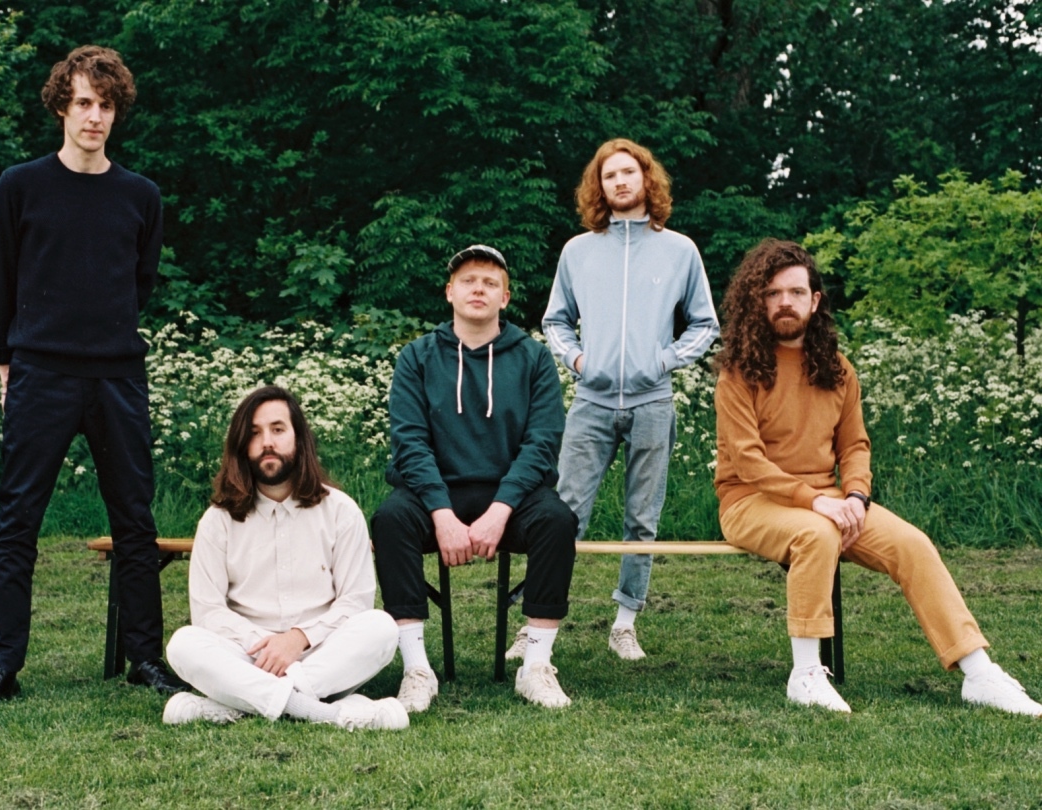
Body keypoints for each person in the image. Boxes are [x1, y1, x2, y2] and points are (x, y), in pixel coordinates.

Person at [713, 238, 1042, 716]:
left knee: (912, 544)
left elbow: (854, 447)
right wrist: (817, 502)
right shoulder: (738, 373)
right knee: (815, 534)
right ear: (757, 301)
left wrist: (856, 497)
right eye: (773, 293)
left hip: (829, 499)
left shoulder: (837, 369)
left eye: (796, 292)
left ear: (815, 300)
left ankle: (979, 673)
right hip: (750, 501)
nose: (785, 302)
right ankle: (806, 675)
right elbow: (748, 461)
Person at [0, 45, 186, 706]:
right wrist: (5, 359)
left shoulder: (140, 196)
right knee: (17, 523)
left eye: (106, 105)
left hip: (118, 376)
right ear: (62, 106)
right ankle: (1, 670)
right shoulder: (21, 186)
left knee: (135, 523)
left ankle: (144, 659)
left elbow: (139, 283)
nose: (95, 116)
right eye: (84, 102)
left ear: (117, 113)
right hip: (41, 371)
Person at [371, 244, 579, 712]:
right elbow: (410, 443)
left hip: (512, 495)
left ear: (505, 297)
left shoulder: (533, 358)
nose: (478, 289)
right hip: (436, 493)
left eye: (490, 282)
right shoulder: (417, 357)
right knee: (391, 519)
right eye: (468, 281)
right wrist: (441, 513)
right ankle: (417, 670)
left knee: (557, 521)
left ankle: (536, 666)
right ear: (450, 292)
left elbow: (542, 443)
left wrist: (500, 510)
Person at [539, 138, 718, 661]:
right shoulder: (578, 251)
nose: (619, 181)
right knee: (564, 513)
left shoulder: (679, 250)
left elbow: (705, 323)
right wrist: (578, 361)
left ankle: (624, 622)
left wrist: (663, 360)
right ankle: (537, 623)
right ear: (598, 187)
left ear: (647, 179)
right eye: (609, 175)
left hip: (652, 402)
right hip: (590, 403)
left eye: (628, 172)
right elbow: (555, 320)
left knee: (643, 518)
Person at [162, 386, 407, 730]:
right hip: (248, 657)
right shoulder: (218, 520)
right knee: (184, 644)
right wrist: (266, 649)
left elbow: (355, 602)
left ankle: (239, 704)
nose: (267, 442)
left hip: (323, 654)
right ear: (241, 445)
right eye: (254, 433)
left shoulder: (341, 510)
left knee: (381, 628)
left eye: (277, 429)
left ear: (298, 438)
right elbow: (208, 612)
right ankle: (325, 712)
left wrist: (298, 639)